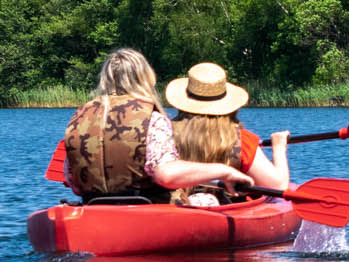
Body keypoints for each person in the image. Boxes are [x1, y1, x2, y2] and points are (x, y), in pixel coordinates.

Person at [61, 48, 253, 203]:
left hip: (93, 206)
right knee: (204, 199)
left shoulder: (79, 118)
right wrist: (225, 171)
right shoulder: (152, 119)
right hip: (148, 209)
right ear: (145, 78)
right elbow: (166, 175)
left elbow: (73, 183)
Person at [165, 61, 290, 206]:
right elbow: (279, 187)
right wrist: (279, 147)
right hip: (225, 209)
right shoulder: (242, 140)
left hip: (175, 207)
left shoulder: (162, 133)